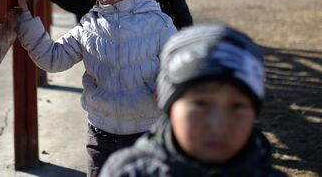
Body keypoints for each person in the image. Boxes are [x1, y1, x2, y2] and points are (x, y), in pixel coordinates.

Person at [15, 0, 177, 177]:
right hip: (100, 135)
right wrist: (25, 20)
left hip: (146, 133)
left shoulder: (159, 23)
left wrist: (168, 85)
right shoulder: (89, 25)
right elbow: (53, 59)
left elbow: (178, 68)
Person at [100, 24, 287, 177]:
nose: (218, 125)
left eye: (237, 106)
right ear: (168, 106)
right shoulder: (127, 172)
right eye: (201, 104)